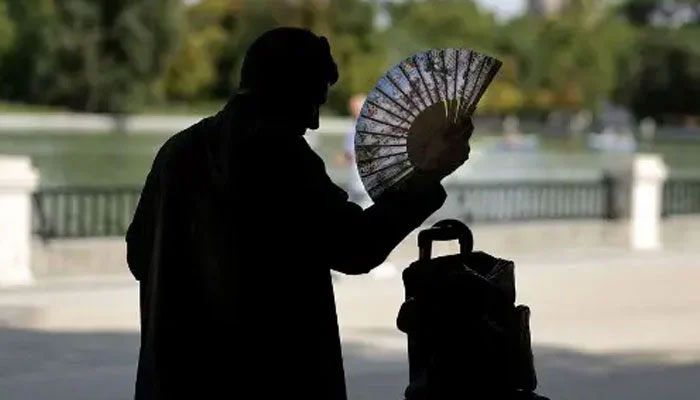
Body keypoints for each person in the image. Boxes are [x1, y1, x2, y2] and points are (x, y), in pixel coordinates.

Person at [126, 27, 471, 399]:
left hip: (175, 378)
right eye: (312, 102)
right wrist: (426, 176)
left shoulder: (176, 152)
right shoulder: (280, 155)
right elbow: (355, 246)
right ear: (284, 91)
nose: (315, 122)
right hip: (271, 377)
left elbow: (138, 257)